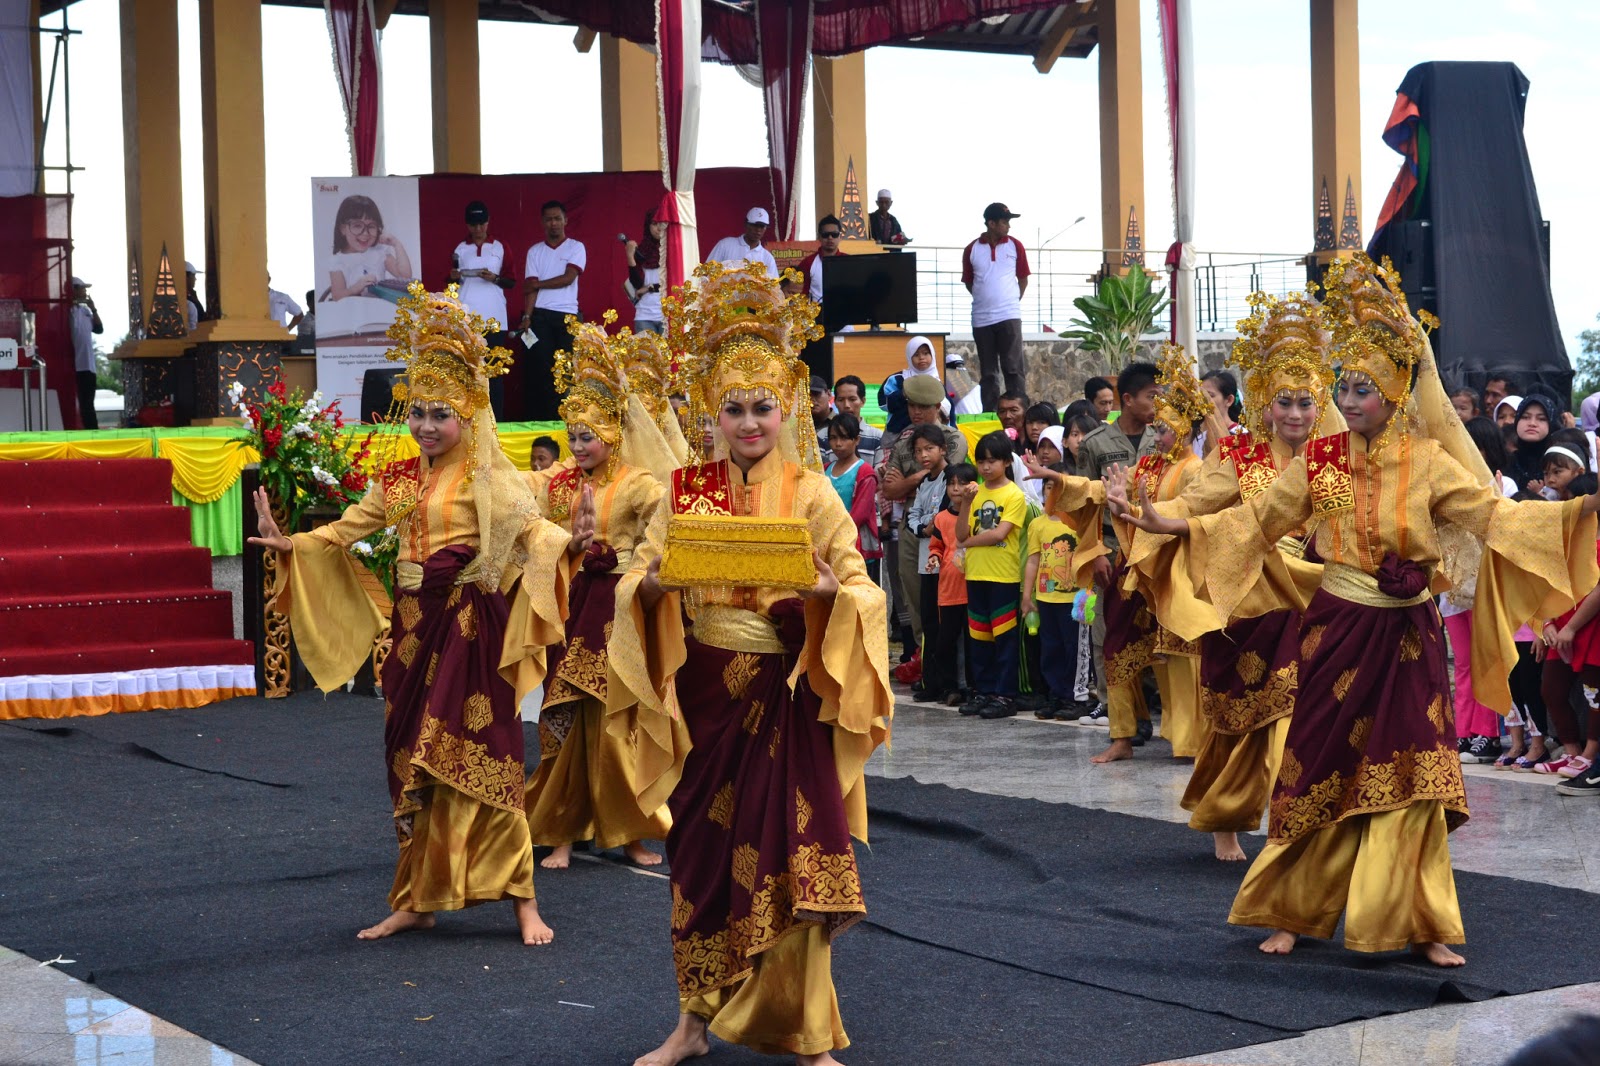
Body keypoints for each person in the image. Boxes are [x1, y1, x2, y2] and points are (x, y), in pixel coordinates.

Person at [1111, 253, 1600, 966]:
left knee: (1415, 775)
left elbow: (1489, 515)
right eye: (1347, 384)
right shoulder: (1327, 463)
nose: (1352, 395)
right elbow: (1261, 522)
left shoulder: (1428, 461)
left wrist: (1580, 512)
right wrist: (1168, 525)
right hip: (1336, 629)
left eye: (1363, 386)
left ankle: (1423, 921)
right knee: (1315, 768)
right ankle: (1292, 911)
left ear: (1398, 391)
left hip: (1406, 637)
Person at [620, 260, 891, 1066]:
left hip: (784, 695)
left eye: (762, 407)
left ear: (787, 409)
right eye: (733, 407)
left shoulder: (812, 492)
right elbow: (636, 571)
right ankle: (691, 1024)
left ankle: (809, 1033)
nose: (748, 422)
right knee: (700, 860)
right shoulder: (689, 489)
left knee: (793, 860)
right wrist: (655, 581)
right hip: (705, 695)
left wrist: (822, 592)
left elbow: (862, 588)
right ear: (713, 412)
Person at [250, 284, 579, 947]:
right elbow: (348, 528)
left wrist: (534, 556)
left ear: (469, 416)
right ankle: (417, 898)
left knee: (486, 753)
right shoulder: (401, 479)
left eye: (441, 414)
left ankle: (521, 901)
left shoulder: (491, 480)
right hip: (410, 633)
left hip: (468, 630)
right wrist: (292, 543)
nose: (427, 425)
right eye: (418, 412)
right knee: (409, 758)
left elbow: (538, 536)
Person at [1125, 291, 1338, 857]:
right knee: (1240, 717)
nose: (1294, 414)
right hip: (1248, 602)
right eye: (1283, 403)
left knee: (1301, 714)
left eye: (1305, 403)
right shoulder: (1241, 459)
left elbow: (1348, 524)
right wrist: (1153, 518)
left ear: (1319, 405)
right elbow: (1195, 504)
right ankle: (1225, 820)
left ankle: (1295, 819)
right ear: (1266, 404)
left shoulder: (1334, 460)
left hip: (1312, 602)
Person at [1094, 346, 1209, 763]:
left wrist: (1137, 511)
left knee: (1180, 657)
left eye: (1163, 428)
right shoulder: (1148, 465)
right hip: (1134, 570)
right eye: (1156, 427)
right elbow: (1118, 502)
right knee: (1119, 651)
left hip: (1175, 573)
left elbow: (1184, 514)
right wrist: (1116, 502)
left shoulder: (1197, 470)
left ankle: (1190, 741)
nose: (1156, 435)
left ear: (1183, 429)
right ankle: (1122, 736)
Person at [1074, 362, 1162, 725]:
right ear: (1127, 400)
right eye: (1151, 397)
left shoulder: (1163, 439)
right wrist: (1094, 553)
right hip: (1110, 548)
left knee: (1152, 624)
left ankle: (1153, 700)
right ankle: (1115, 705)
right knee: (1107, 628)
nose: (1157, 404)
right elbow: (1083, 506)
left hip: (1154, 547)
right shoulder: (1096, 444)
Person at [881, 375, 968, 656]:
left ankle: (947, 660)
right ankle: (924, 655)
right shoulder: (904, 441)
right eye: (911, 405)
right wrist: (915, 480)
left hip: (944, 525)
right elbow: (890, 489)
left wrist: (910, 479)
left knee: (943, 592)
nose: (916, 412)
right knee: (913, 591)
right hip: (911, 523)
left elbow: (943, 476)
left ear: (937, 406)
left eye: (922, 406)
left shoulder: (953, 438)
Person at [954, 430, 1030, 719]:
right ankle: (984, 691)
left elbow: (999, 533)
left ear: (1006, 462)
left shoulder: (1014, 495)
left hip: (1003, 577)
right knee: (979, 638)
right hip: (976, 574)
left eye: (993, 461)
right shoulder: (974, 492)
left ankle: (1005, 694)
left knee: (1004, 639)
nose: (986, 467)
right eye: (981, 461)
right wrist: (965, 504)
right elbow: (960, 532)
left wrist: (967, 543)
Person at [519, 201, 587, 421]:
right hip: (540, 316)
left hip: (567, 316)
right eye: (549, 219)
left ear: (565, 220)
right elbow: (530, 288)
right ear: (542, 223)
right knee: (542, 371)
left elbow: (568, 278)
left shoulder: (576, 247)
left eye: (557, 218)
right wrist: (527, 316)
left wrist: (539, 285)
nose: (553, 223)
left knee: (568, 370)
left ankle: (570, 418)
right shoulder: (534, 251)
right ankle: (546, 420)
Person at [962, 203, 1030, 410]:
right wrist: (986, 298)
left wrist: (1010, 301)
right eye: (1004, 222)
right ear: (991, 223)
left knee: (1013, 367)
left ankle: (1019, 409)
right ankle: (991, 413)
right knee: (989, 372)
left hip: (1009, 315)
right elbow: (969, 281)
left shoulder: (1015, 245)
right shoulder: (972, 249)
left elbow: (1023, 278)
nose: (1008, 226)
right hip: (982, 319)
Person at [906, 424, 952, 699]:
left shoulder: (952, 478)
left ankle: (947, 682)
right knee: (928, 622)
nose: (924, 455)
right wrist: (923, 525)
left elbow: (946, 515)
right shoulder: (924, 482)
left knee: (945, 624)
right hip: (927, 561)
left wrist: (929, 524)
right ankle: (930, 681)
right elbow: (914, 516)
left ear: (943, 449)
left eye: (929, 449)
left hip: (946, 561)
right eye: (918, 450)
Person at [924, 462, 975, 705]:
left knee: (974, 642)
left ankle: (973, 687)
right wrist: (933, 558)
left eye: (962, 483)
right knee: (946, 642)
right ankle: (951, 687)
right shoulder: (942, 518)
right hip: (949, 590)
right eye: (951, 484)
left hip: (973, 588)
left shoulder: (979, 513)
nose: (956, 489)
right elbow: (936, 546)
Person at [826, 412, 882, 583]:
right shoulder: (825, 468)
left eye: (844, 438)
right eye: (833, 438)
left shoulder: (865, 472)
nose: (838, 444)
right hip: (830, 542)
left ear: (856, 440)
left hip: (855, 543)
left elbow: (860, 514)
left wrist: (834, 534)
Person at [327, 196, 413, 301]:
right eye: (357, 226)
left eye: (371, 226)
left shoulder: (380, 252)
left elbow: (405, 276)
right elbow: (337, 297)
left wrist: (397, 244)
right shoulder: (337, 261)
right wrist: (356, 288)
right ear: (343, 229)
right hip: (353, 313)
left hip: (379, 310)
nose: (365, 233)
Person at [448, 201, 512, 331]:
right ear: (466, 224)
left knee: (494, 352)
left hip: (494, 315)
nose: (478, 229)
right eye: (473, 225)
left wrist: (495, 278)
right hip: (465, 316)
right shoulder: (459, 248)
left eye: (482, 224)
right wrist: (453, 277)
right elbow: (450, 286)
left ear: (488, 221)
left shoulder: (500, 246)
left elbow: (511, 282)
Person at [879, 335, 943, 436]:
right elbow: (883, 403)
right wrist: (904, 394)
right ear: (909, 357)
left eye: (926, 353)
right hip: (898, 434)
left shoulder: (936, 382)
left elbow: (948, 408)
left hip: (930, 435)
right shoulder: (898, 379)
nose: (921, 358)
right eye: (916, 354)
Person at [626, 209, 669, 334]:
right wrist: (630, 256)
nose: (658, 228)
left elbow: (676, 282)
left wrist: (648, 288)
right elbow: (637, 284)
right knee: (645, 354)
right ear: (648, 226)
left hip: (668, 316)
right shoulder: (641, 251)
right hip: (644, 316)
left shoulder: (673, 249)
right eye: (654, 224)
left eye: (662, 224)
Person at [69, 277, 103, 430]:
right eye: (82, 288)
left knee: (88, 402)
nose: (85, 291)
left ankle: (92, 431)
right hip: (73, 364)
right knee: (79, 402)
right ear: (74, 289)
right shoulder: (65, 311)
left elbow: (99, 329)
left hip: (88, 365)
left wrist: (94, 309)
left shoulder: (85, 310)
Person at [706, 207, 779, 277]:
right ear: (746, 224)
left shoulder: (767, 258)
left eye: (762, 226)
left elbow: (774, 286)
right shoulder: (725, 245)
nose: (758, 230)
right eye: (755, 225)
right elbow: (707, 273)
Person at [1508, 394, 1558, 495]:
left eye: (1541, 419)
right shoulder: (1504, 461)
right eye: (1525, 417)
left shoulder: (1559, 462)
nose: (1532, 423)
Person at [828, 375, 882, 465]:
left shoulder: (877, 437)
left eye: (852, 399)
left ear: (863, 401)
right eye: (841, 400)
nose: (846, 405)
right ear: (835, 402)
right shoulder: (822, 437)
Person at [800, 215, 848, 302]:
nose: (830, 238)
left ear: (840, 237)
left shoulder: (849, 262)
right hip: (817, 313)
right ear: (819, 237)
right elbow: (801, 294)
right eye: (826, 235)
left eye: (834, 234)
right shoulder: (808, 263)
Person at [295, 289, 317, 355]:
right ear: (309, 303)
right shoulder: (305, 322)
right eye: (315, 301)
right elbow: (306, 344)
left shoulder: (326, 318)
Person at [185, 261, 206, 330]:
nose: (195, 279)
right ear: (186, 277)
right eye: (193, 275)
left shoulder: (192, 296)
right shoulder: (187, 302)